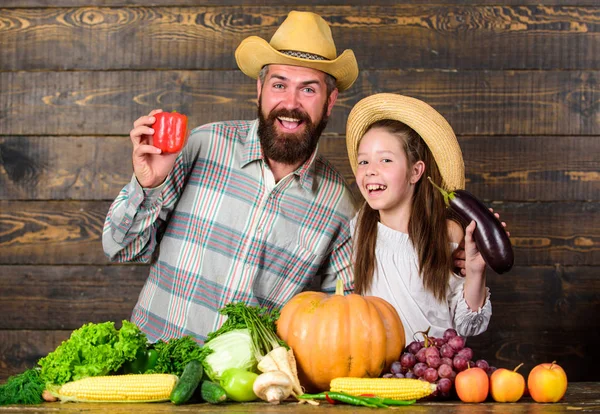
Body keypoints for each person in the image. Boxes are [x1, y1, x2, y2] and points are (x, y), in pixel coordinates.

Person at [102, 11, 361, 343]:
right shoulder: (204, 145)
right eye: (279, 85)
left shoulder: (338, 206)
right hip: (153, 369)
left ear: (329, 102)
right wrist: (147, 186)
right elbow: (119, 249)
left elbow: (339, 321)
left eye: (308, 90)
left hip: (242, 390)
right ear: (260, 90)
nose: (290, 103)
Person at [345, 93, 496, 344]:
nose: (370, 170)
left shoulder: (447, 233)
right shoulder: (360, 227)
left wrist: (475, 272)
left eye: (385, 160)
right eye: (364, 161)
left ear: (415, 171)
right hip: (377, 374)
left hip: (434, 371)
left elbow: (469, 325)